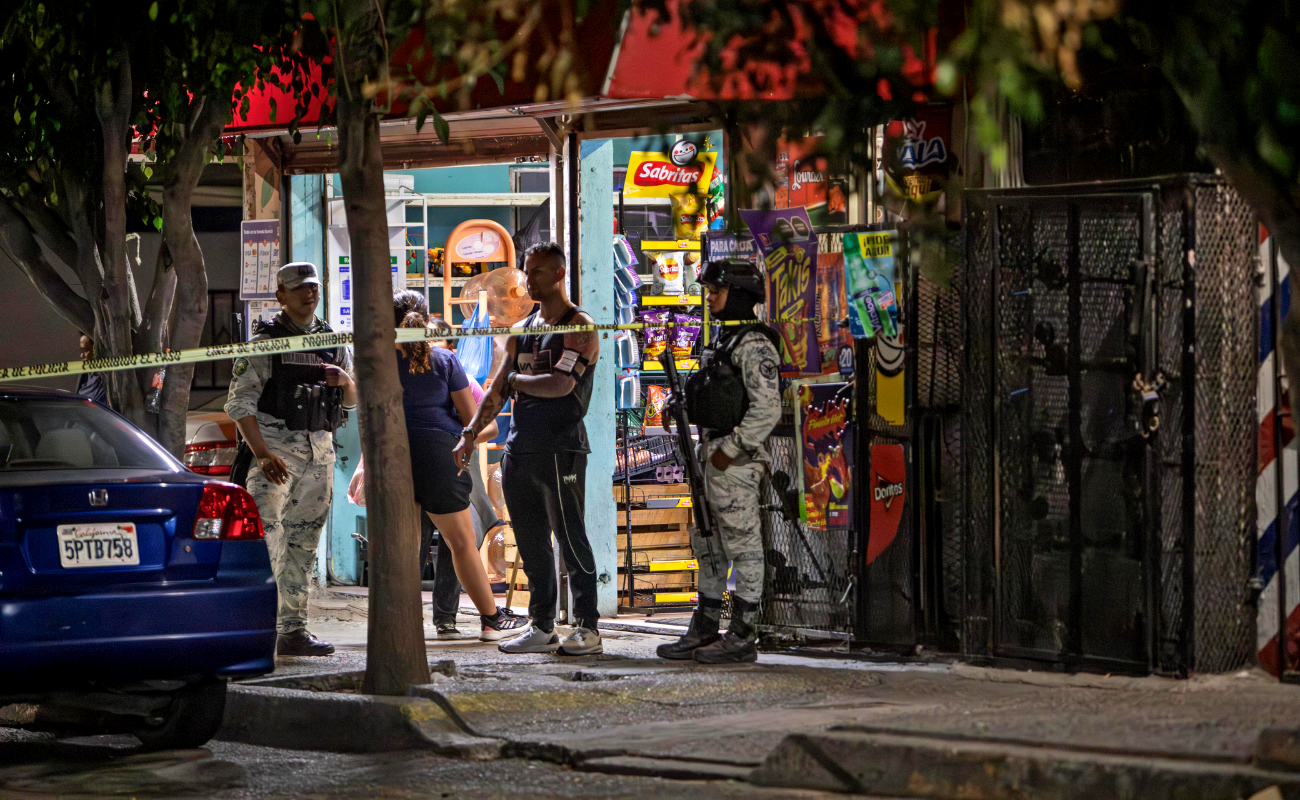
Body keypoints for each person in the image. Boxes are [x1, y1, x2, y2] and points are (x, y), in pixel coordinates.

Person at [455, 242, 603, 656]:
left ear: (559, 274)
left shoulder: (580, 325)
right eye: (526, 271)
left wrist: (514, 384)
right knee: (532, 541)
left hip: (562, 449)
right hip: (521, 450)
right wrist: (469, 433)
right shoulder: (524, 328)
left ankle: (589, 627)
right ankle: (541, 626)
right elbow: (495, 389)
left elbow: (560, 385)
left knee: (571, 540)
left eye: (537, 272)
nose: (527, 281)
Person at [226, 262, 356, 657]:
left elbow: (352, 402)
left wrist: (345, 380)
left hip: (319, 453)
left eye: (313, 287)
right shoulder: (266, 342)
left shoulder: (334, 339)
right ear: (281, 295)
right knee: (268, 541)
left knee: (304, 544)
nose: (308, 293)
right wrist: (262, 454)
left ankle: (293, 630)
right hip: (276, 454)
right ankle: (255, 628)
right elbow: (239, 403)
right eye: (299, 288)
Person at [656, 259, 782, 664]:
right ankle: (706, 626)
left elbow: (767, 409)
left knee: (743, 547)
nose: (710, 299)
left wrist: (732, 450)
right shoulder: (725, 342)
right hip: (710, 455)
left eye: (717, 292)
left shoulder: (755, 345)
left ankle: (743, 635)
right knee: (709, 544)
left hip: (735, 461)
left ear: (740, 294)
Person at [382, 290, 527, 640]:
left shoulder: (378, 362)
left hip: (393, 456)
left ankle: (400, 626)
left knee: (406, 547)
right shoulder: (444, 360)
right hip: (438, 456)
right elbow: (470, 420)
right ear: (424, 318)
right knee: (461, 543)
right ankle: (492, 620)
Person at [74, 334, 108, 406]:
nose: (81, 355)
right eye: (81, 351)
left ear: (95, 349)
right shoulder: (85, 374)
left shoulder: (107, 375)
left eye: (85, 350)